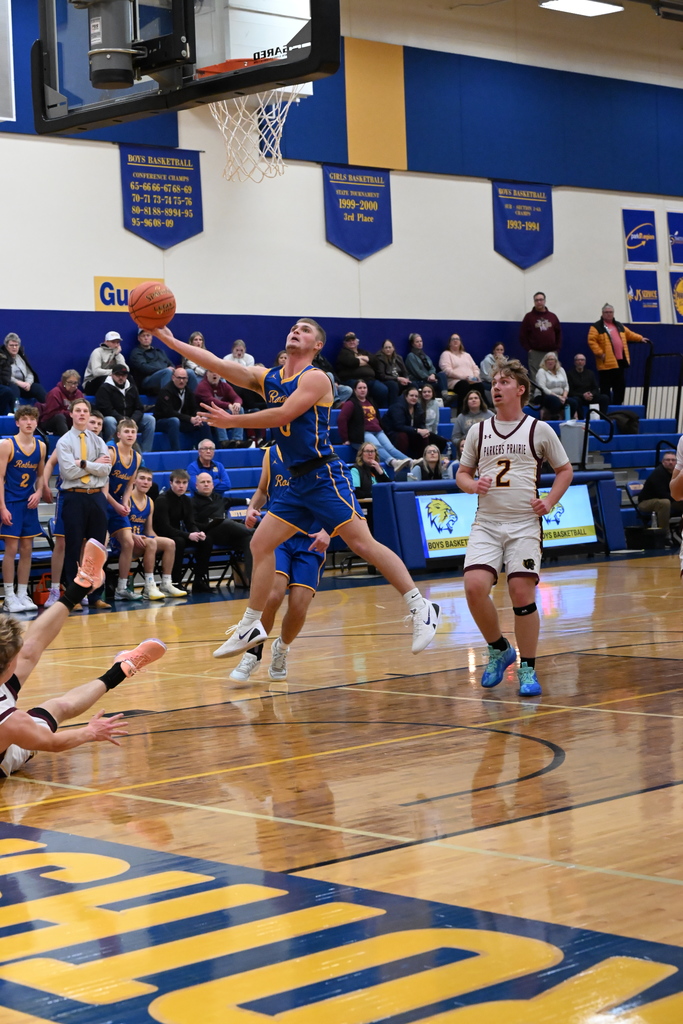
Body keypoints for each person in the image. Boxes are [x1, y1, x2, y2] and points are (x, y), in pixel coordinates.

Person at [153, 318, 440, 656]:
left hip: (322, 476)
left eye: (305, 330)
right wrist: (171, 342)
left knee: (363, 543)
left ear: (317, 345)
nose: (296, 331)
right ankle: (251, 625)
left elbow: (283, 415)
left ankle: (422, 607)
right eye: (294, 328)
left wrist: (234, 422)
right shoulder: (270, 377)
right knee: (260, 543)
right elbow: (217, 364)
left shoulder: (316, 378)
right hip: (296, 481)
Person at [0, 536, 166, 777]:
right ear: (6, 670)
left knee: (26, 652)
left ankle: (82, 585)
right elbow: (53, 743)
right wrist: (89, 732)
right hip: (4, 758)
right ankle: (122, 668)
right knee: (58, 707)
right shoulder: (13, 725)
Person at [455, 359, 573, 697]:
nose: (496, 386)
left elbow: (564, 471)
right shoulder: (478, 430)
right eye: (494, 381)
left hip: (524, 524)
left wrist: (549, 501)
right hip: (487, 524)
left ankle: (528, 668)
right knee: (474, 586)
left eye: (504, 381)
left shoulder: (539, 429)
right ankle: (498, 648)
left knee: (521, 594)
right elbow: (462, 474)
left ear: (520, 389)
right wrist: (471, 484)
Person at [229, 443, 329, 684]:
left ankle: (281, 649)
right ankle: (253, 653)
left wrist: (328, 530)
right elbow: (263, 490)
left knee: (298, 605)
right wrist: (253, 508)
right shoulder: (271, 453)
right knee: (273, 595)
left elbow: (335, 497)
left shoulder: (320, 451)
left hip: (311, 539)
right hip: (278, 536)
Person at [55, 398, 112, 612]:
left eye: (84, 411)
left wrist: (83, 463)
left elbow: (106, 470)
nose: (81, 414)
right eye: (77, 410)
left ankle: (96, 595)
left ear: (89, 415)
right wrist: (95, 466)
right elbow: (68, 472)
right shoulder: (64, 442)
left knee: (97, 548)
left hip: (96, 496)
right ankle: (73, 596)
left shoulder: (98, 441)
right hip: (74, 496)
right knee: (74, 547)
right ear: (71, 414)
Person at [0, 407, 48, 613]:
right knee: (11, 549)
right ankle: (9, 596)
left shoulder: (41, 446)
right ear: (17, 422)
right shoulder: (6, 444)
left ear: (37, 423)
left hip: (29, 503)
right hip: (10, 502)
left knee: (27, 549)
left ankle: (22, 593)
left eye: (32, 419)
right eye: (25, 419)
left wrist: (38, 493)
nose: (29, 423)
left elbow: (40, 476)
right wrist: (2, 507)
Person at [124, 466, 186, 599]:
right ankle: (149, 586)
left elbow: (149, 530)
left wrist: (159, 542)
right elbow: (120, 527)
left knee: (169, 543)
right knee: (151, 542)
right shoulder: (127, 499)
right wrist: (150, 541)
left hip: (142, 540)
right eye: (142, 478)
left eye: (149, 479)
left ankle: (166, 584)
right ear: (134, 481)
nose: (145, 482)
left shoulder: (150, 501)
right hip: (125, 540)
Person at [191, 472, 254, 591]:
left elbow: (241, 501)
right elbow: (192, 524)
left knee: (249, 540)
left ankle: (253, 580)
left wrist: (253, 503)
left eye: (208, 482)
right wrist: (208, 525)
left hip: (230, 534)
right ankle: (256, 532)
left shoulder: (219, 499)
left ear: (213, 485)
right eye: (202, 482)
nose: (206, 484)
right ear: (196, 485)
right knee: (225, 522)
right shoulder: (192, 502)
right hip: (211, 534)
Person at [104, 419, 143, 602]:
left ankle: (121, 588)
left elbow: (129, 485)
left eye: (132, 432)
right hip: (102, 501)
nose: (130, 435)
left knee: (128, 543)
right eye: (126, 431)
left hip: (118, 504)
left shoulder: (136, 456)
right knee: (100, 546)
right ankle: (95, 589)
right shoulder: (111, 452)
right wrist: (116, 505)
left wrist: (126, 503)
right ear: (118, 434)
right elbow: (102, 485)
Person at [153, 468, 212, 591]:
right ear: (171, 483)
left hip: (178, 534)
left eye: (184, 483)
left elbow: (190, 523)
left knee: (206, 540)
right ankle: (175, 582)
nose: (181, 486)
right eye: (178, 482)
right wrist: (187, 535)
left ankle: (198, 581)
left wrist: (197, 532)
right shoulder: (162, 500)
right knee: (178, 542)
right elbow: (164, 528)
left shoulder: (186, 500)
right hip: (162, 535)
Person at [337, 380, 411, 469]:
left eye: (364, 388)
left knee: (391, 448)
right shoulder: (351, 403)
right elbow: (341, 419)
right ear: (355, 390)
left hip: (378, 430)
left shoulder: (371, 401)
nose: (362, 390)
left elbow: (377, 418)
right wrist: (345, 439)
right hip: (363, 432)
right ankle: (392, 462)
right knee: (377, 447)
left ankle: (410, 462)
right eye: (360, 388)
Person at [587, 303, 648, 406]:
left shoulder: (619, 325)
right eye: (606, 312)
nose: (609, 314)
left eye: (610, 312)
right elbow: (591, 341)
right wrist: (600, 353)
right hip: (605, 363)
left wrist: (640, 338)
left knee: (620, 386)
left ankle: (617, 406)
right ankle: (606, 407)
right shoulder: (596, 327)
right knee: (605, 387)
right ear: (602, 313)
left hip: (619, 362)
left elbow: (630, 334)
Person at [95, 363, 156, 452]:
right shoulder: (104, 388)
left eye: (123, 375)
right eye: (118, 375)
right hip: (115, 419)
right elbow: (105, 408)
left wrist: (133, 420)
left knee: (150, 420)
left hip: (131, 419)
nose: (121, 377)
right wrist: (120, 418)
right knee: (109, 420)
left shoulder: (132, 387)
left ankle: (145, 452)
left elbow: (139, 408)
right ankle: (114, 450)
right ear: (112, 375)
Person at [154, 366, 212, 451]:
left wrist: (198, 417)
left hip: (182, 421)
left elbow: (194, 408)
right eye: (179, 378)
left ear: (187, 379)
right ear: (173, 378)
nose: (181, 381)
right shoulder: (165, 391)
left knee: (204, 422)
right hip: (163, 422)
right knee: (174, 421)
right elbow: (168, 412)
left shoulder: (188, 391)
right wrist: (189, 419)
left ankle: (208, 449)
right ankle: (176, 451)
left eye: (184, 378)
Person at [383, 386, 447, 459]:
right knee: (403, 436)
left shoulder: (417, 407)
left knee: (438, 440)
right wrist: (417, 430)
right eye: (411, 395)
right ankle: (401, 460)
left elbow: (421, 423)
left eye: (416, 396)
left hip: (411, 432)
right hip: (394, 432)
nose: (414, 398)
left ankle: (424, 460)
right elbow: (399, 426)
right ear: (406, 396)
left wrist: (423, 430)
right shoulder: (397, 406)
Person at [334, 332, 388, 407]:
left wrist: (366, 358)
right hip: (352, 379)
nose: (351, 342)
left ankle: (380, 412)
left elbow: (376, 361)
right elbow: (352, 362)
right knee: (359, 388)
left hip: (370, 379)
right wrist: (367, 361)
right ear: (345, 343)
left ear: (357, 342)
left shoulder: (363, 352)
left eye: (353, 340)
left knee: (383, 389)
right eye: (348, 341)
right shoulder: (343, 353)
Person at [519, 292, 562, 381]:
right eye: (536, 300)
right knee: (535, 376)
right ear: (534, 302)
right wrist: (529, 349)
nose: (539, 302)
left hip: (551, 351)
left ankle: (552, 393)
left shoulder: (552, 316)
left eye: (541, 300)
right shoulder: (529, 317)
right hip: (535, 352)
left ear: (545, 301)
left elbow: (559, 333)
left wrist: (557, 349)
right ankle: (537, 394)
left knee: (553, 373)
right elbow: (523, 335)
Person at [195, 370, 245, 447]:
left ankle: (237, 440)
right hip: (204, 413)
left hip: (220, 411)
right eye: (211, 372)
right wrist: (228, 405)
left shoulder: (224, 385)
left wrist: (237, 403)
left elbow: (236, 397)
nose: (214, 374)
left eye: (217, 372)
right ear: (207, 374)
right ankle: (224, 441)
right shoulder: (202, 386)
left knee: (239, 409)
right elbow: (211, 402)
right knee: (216, 411)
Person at [438, 334, 488, 411]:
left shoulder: (467, 355)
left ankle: (486, 410)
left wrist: (475, 377)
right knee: (464, 385)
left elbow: (475, 367)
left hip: (471, 380)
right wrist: (463, 377)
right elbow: (446, 370)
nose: (455, 340)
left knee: (479, 386)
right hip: (455, 381)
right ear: (449, 343)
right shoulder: (446, 354)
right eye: (453, 339)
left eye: (457, 339)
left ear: (460, 342)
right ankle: (462, 412)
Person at [638, 452, 682, 537]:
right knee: (664, 502)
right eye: (668, 460)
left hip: (669, 500)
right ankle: (665, 534)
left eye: (673, 460)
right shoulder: (658, 473)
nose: (670, 462)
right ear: (663, 462)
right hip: (646, 502)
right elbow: (662, 493)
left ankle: (680, 529)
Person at [129, 328, 177, 395]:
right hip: (147, 381)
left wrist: (175, 371)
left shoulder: (159, 351)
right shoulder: (136, 352)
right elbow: (144, 368)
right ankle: (167, 402)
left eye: (148, 335)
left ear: (151, 337)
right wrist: (164, 369)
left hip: (167, 374)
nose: (146, 338)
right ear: (139, 338)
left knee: (189, 373)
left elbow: (171, 364)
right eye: (143, 336)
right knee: (167, 372)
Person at [0, 334, 46, 404]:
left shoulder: (21, 356)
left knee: (37, 387)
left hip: (24, 385)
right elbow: (4, 376)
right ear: (6, 346)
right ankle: (14, 412)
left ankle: (51, 409)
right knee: (14, 389)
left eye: (16, 345)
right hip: (10, 384)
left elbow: (29, 373)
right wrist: (18, 383)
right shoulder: (2, 357)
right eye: (11, 345)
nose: (14, 347)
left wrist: (28, 383)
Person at [39, 370, 85, 436]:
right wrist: (70, 413)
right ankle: (67, 442)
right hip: (51, 421)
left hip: (70, 420)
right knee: (60, 417)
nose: (73, 385)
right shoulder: (55, 393)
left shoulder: (79, 394)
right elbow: (51, 413)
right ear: (64, 382)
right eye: (70, 382)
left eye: (75, 383)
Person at [83, 331, 128, 396]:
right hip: (91, 383)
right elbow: (96, 372)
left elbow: (126, 370)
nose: (116, 345)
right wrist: (115, 373)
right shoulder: (97, 352)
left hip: (113, 381)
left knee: (129, 378)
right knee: (106, 379)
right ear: (106, 341)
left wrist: (117, 355)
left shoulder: (118, 355)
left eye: (117, 342)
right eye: (113, 342)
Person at [535, 352, 577, 420]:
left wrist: (564, 396)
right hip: (543, 396)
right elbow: (542, 388)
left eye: (552, 359)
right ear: (545, 361)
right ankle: (553, 420)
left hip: (561, 396)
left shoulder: (561, 370)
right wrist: (558, 397)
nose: (550, 361)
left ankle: (568, 420)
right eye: (548, 360)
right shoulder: (541, 371)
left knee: (573, 402)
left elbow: (566, 385)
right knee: (555, 401)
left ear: (555, 361)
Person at [566, 353, 609, 419]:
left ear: (585, 362)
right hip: (579, 397)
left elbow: (595, 388)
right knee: (575, 400)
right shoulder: (569, 374)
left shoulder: (590, 373)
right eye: (578, 360)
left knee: (604, 398)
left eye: (582, 360)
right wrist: (583, 395)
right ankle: (581, 419)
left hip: (590, 396)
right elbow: (570, 391)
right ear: (575, 362)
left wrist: (591, 394)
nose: (580, 362)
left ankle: (603, 418)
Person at [372, 340, 411, 406]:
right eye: (386, 348)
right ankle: (394, 407)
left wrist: (406, 379)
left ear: (393, 348)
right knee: (394, 385)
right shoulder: (379, 358)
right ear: (382, 349)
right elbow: (382, 376)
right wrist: (398, 379)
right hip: (386, 381)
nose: (388, 349)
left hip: (399, 380)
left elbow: (405, 372)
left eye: (390, 347)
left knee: (413, 384)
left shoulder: (398, 358)